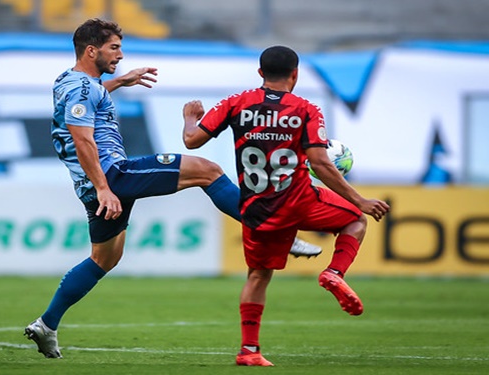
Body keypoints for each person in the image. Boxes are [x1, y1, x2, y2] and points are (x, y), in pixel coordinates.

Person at [23, 19, 320, 359]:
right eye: (114, 48)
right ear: (92, 50)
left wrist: (120, 81)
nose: (120, 54)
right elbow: (81, 138)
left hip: (94, 183)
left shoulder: (71, 81)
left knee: (105, 258)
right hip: (110, 175)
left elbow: (86, 101)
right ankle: (275, 228)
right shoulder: (83, 88)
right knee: (207, 171)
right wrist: (105, 187)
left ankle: (47, 324)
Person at [181, 45, 390, 366]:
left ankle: (249, 351)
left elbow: (192, 141)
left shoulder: (235, 103)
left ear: (260, 73)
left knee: (258, 276)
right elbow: (320, 162)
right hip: (298, 199)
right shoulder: (306, 109)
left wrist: (189, 119)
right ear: (296, 73)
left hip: (255, 207)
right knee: (354, 221)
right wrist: (359, 200)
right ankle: (334, 272)